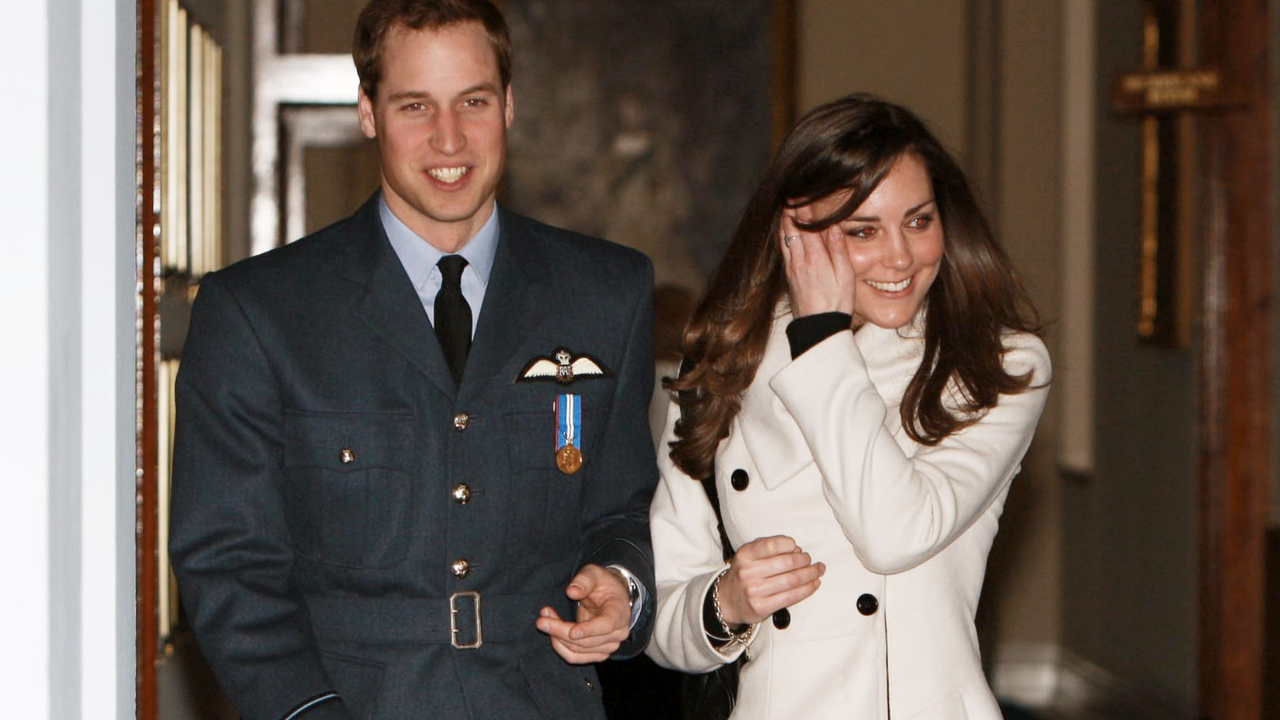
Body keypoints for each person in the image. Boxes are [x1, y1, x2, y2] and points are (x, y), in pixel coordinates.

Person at [168, 1, 658, 718]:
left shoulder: (606, 294)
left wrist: (622, 586)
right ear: (367, 112)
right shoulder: (259, 313)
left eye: (473, 102)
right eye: (415, 106)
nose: (448, 138)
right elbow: (229, 568)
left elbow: (622, 509)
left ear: (510, 104)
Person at [645, 93, 1051, 719]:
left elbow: (893, 535)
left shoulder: (997, 367)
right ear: (793, 232)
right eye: (863, 230)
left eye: (919, 221)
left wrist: (822, 339)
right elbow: (665, 619)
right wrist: (723, 603)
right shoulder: (720, 371)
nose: (900, 257)